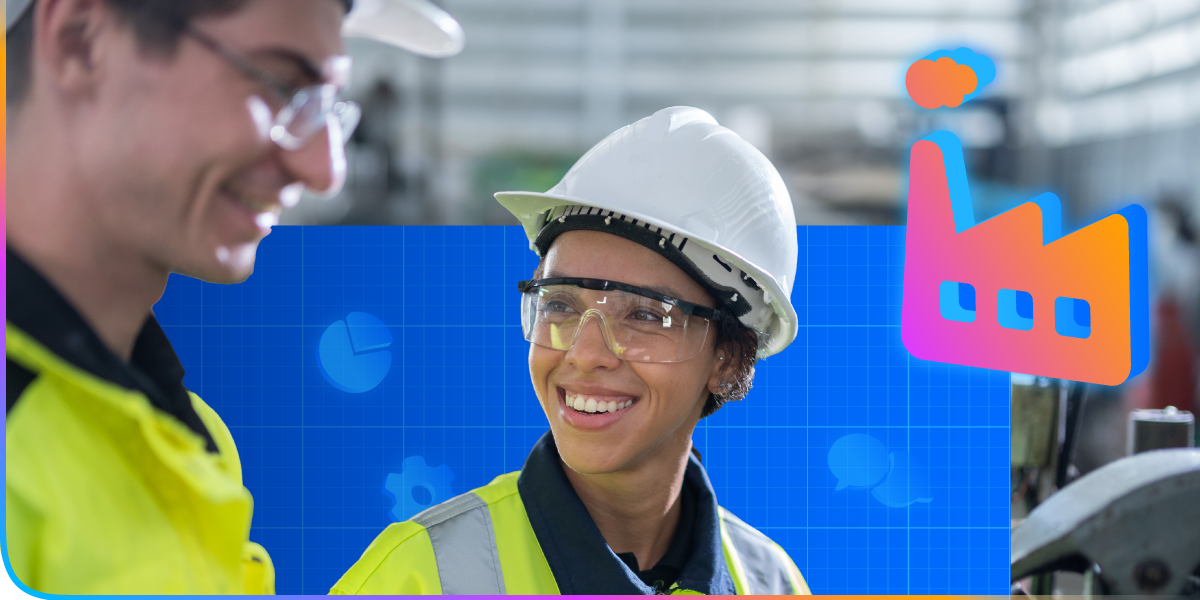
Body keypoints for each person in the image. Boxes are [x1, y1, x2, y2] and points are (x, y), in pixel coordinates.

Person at [4, 0, 461, 593]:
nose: (325, 169)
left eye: (326, 108)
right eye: (281, 86)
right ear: (80, 40)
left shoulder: (183, 433)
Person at [331, 106, 812, 595]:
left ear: (727, 358)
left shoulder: (770, 581)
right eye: (559, 304)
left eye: (646, 315)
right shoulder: (417, 577)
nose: (584, 353)